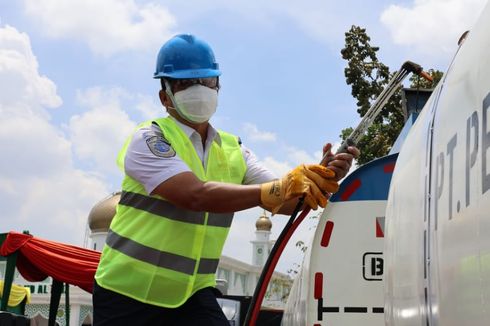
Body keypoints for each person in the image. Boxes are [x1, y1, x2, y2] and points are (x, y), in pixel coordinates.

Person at [93, 34, 359, 325]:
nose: (199, 90)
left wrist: (319, 178)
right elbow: (195, 195)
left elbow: (285, 202)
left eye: (206, 82)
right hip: (127, 293)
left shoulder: (234, 149)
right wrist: (277, 189)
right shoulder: (150, 138)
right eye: (185, 83)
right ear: (164, 96)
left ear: (218, 86)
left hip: (191, 292)